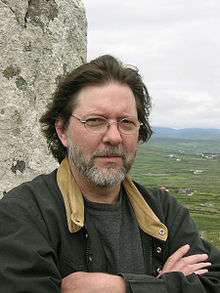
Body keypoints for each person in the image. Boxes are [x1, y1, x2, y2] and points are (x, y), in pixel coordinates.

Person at [0, 55, 219, 293]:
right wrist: (172, 284)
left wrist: (121, 287)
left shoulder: (164, 211)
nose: (114, 137)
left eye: (126, 122)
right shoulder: (24, 214)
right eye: (95, 121)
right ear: (63, 131)